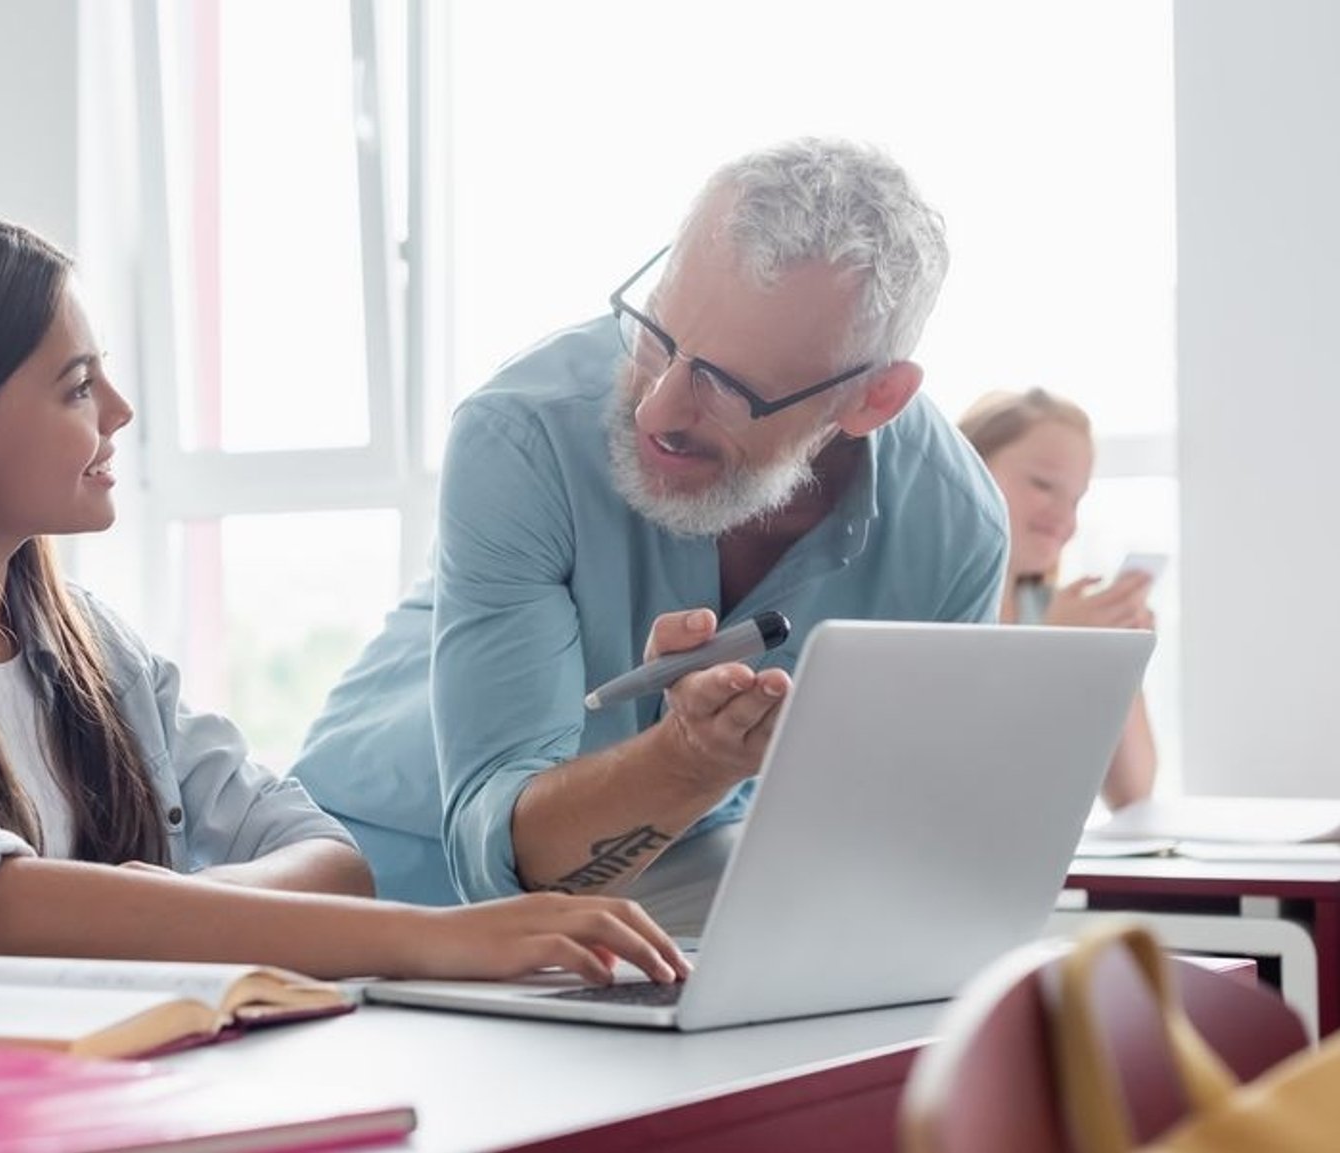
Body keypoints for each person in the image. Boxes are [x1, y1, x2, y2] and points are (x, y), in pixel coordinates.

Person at [0, 212, 690, 991]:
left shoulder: (99, 653)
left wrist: (174, 909)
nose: (120, 413)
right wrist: (437, 940)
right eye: (76, 386)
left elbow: (325, 856)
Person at [290, 138, 1010, 928]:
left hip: (658, 895)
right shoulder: (524, 434)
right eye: (655, 334)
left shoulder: (955, 529)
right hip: (383, 879)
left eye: (731, 387)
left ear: (873, 399)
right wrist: (689, 761)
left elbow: (892, 851)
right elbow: (495, 873)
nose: (657, 409)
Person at [958, 388, 1157, 808]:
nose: (1065, 518)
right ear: (966, 465)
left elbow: (1133, 793)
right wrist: (1056, 650)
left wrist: (1121, 663)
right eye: (1043, 485)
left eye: (1077, 499)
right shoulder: (934, 605)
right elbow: (967, 768)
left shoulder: (1050, 610)